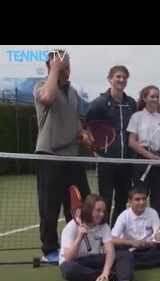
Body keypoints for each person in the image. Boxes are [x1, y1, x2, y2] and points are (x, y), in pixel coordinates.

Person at [33, 49, 90, 262]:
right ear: (51, 66)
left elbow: (75, 121)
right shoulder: (41, 87)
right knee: (49, 206)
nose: (66, 68)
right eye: (61, 64)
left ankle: (76, 245)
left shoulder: (73, 92)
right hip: (49, 155)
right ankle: (50, 251)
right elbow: (47, 98)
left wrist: (82, 133)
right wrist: (55, 69)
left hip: (73, 157)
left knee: (79, 204)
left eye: (68, 64)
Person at [86, 65, 137, 226]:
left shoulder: (131, 104)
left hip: (126, 162)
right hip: (106, 163)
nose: (121, 80)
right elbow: (88, 130)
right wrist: (94, 152)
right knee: (105, 201)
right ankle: (104, 234)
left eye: (124, 77)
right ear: (110, 79)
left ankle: (116, 233)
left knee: (122, 200)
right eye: (118, 77)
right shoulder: (98, 104)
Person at [59, 194, 139, 281]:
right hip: (76, 262)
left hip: (95, 258)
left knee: (125, 255)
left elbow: (110, 251)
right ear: (89, 209)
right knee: (69, 269)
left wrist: (105, 272)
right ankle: (112, 277)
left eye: (103, 211)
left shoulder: (104, 226)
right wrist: (79, 237)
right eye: (98, 210)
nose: (101, 214)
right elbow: (69, 258)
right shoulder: (70, 228)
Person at [127, 85, 160, 216]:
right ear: (144, 98)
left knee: (157, 201)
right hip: (142, 163)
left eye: (157, 96)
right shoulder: (136, 117)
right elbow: (132, 142)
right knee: (140, 199)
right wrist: (149, 156)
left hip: (159, 164)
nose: (155, 99)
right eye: (152, 96)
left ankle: (156, 232)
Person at [111, 186, 160, 268]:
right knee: (119, 251)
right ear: (130, 201)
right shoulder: (123, 216)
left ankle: (133, 263)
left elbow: (158, 235)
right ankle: (151, 262)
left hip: (148, 248)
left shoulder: (153, 212)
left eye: (144, 199)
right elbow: (112, 239)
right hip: (130, 248)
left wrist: (154, 241)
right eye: (137, 199)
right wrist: (132, 243)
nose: (142, 202)